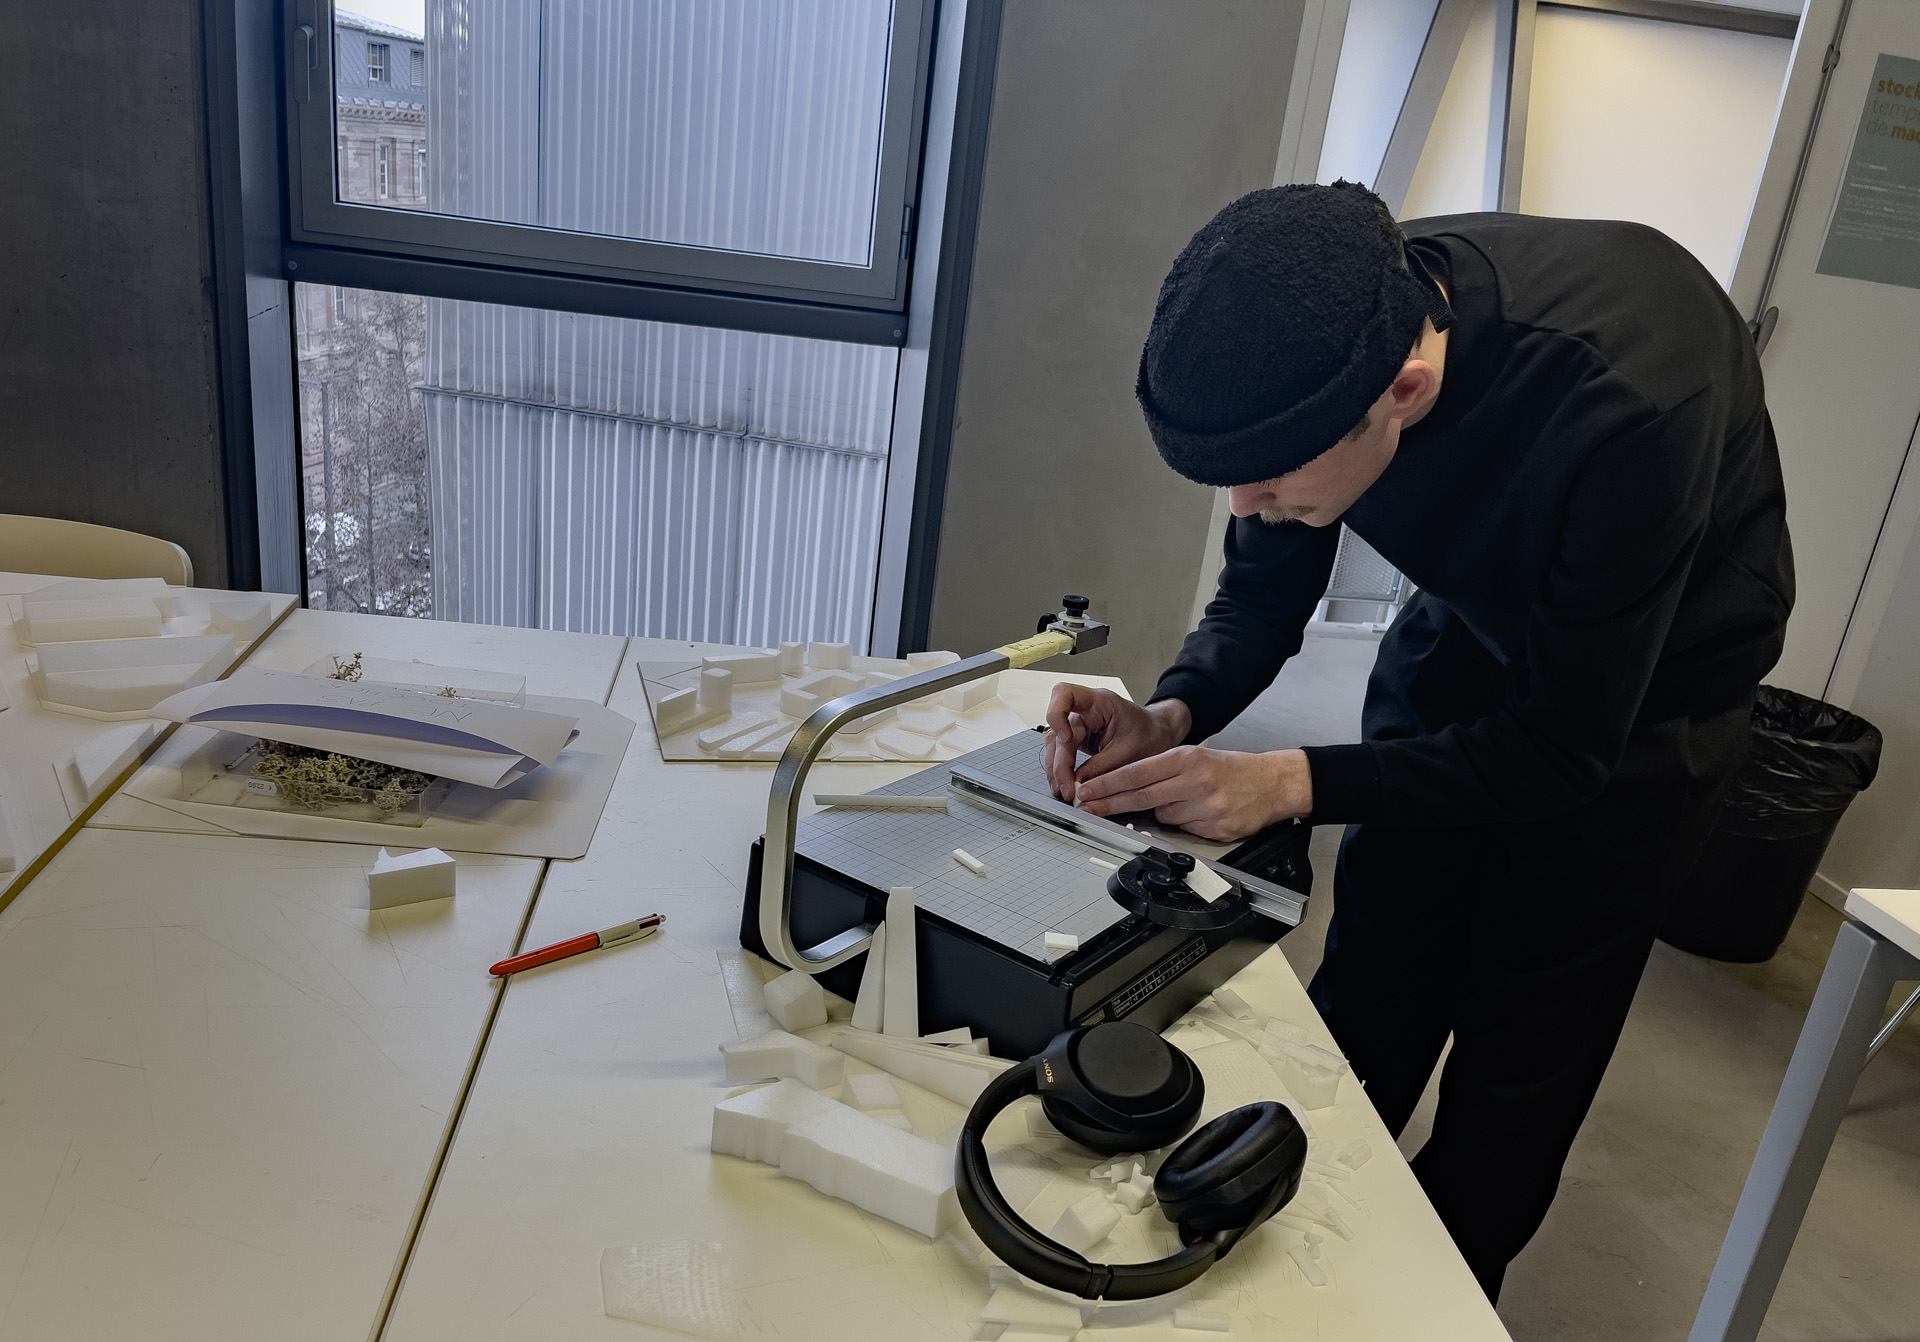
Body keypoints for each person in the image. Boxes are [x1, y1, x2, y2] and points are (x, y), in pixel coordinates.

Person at [1042, 182, 1793, 1298]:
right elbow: (1261, 592)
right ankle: (1290, 1264)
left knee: (1519, 1060)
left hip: (1649, 702)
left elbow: (1561, 749)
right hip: (1468, 628)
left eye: (1271, 476)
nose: (1244, 504)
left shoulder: (1629, 401)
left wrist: (1287, 782)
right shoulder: (1326, 326)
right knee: (1372, 984)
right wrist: (1176, 710)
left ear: (1405, 393)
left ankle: (1428, 1300)